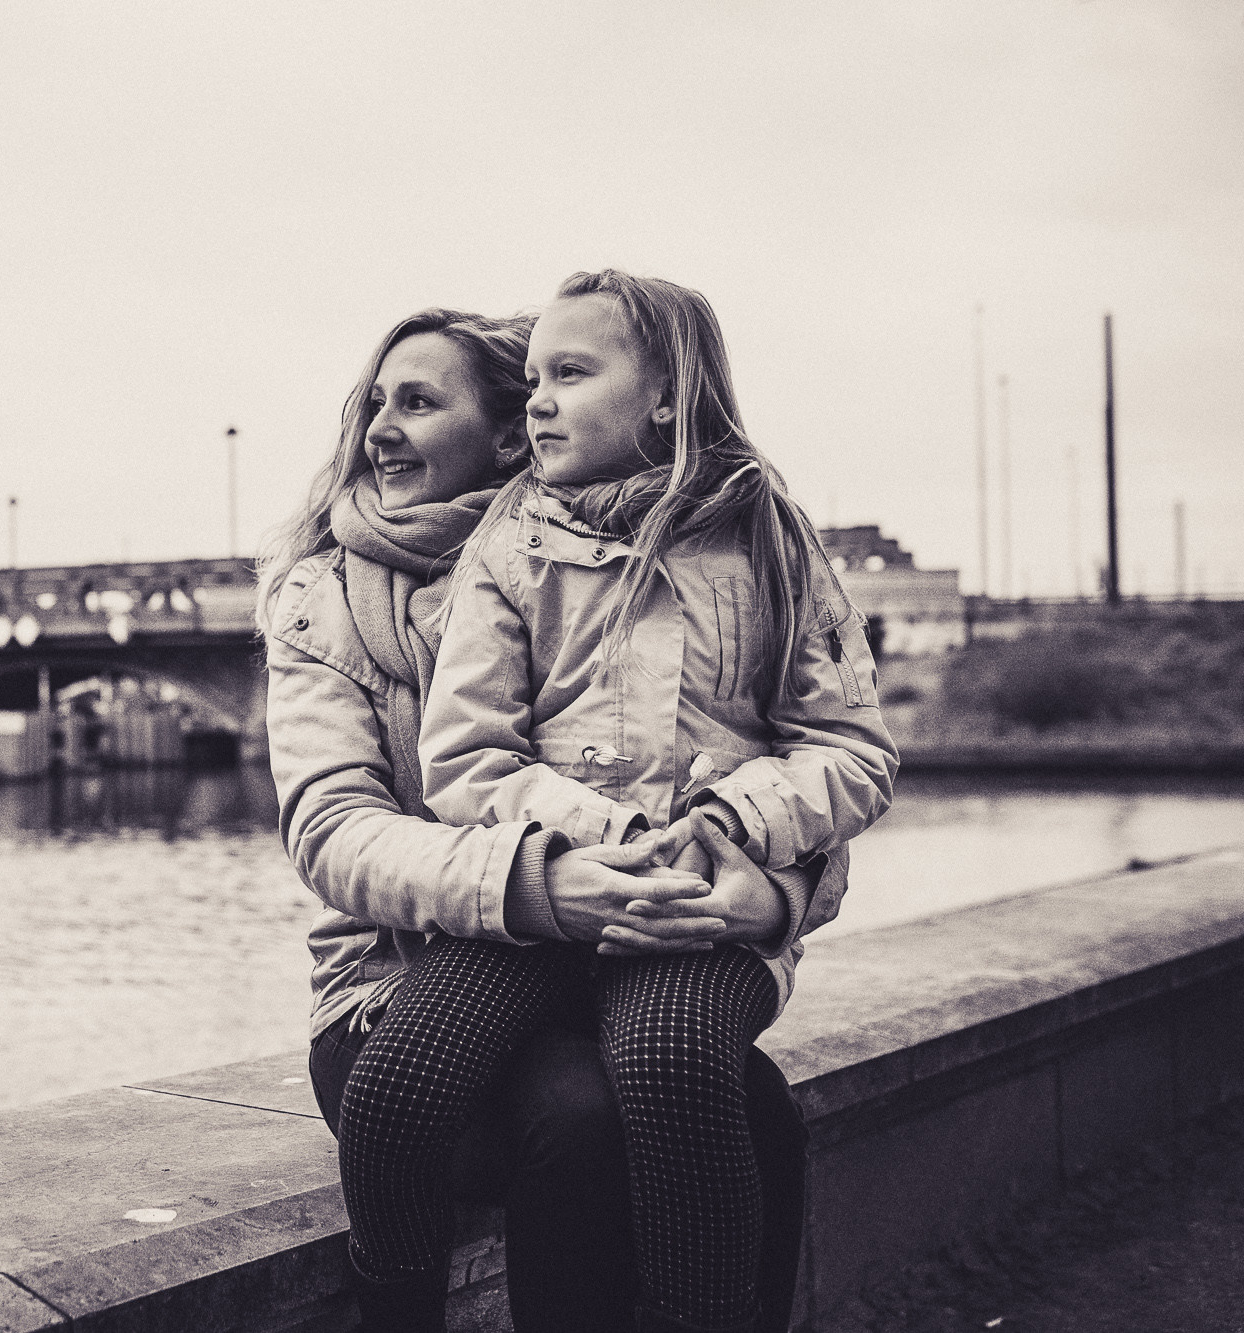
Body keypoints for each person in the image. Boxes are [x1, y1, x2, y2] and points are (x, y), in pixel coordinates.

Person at [334, 272, 899, 1333]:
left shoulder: (771, 541)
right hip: (551, 879)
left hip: (697, 905)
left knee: (672, 1065)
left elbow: (850, 749)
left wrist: (731, 826)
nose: (534, 400)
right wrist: (613, 840)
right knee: (396, 1084)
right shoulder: (510, 543)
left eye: (569, 373)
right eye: (531, 376)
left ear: (667, 399)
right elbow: (466, 756)